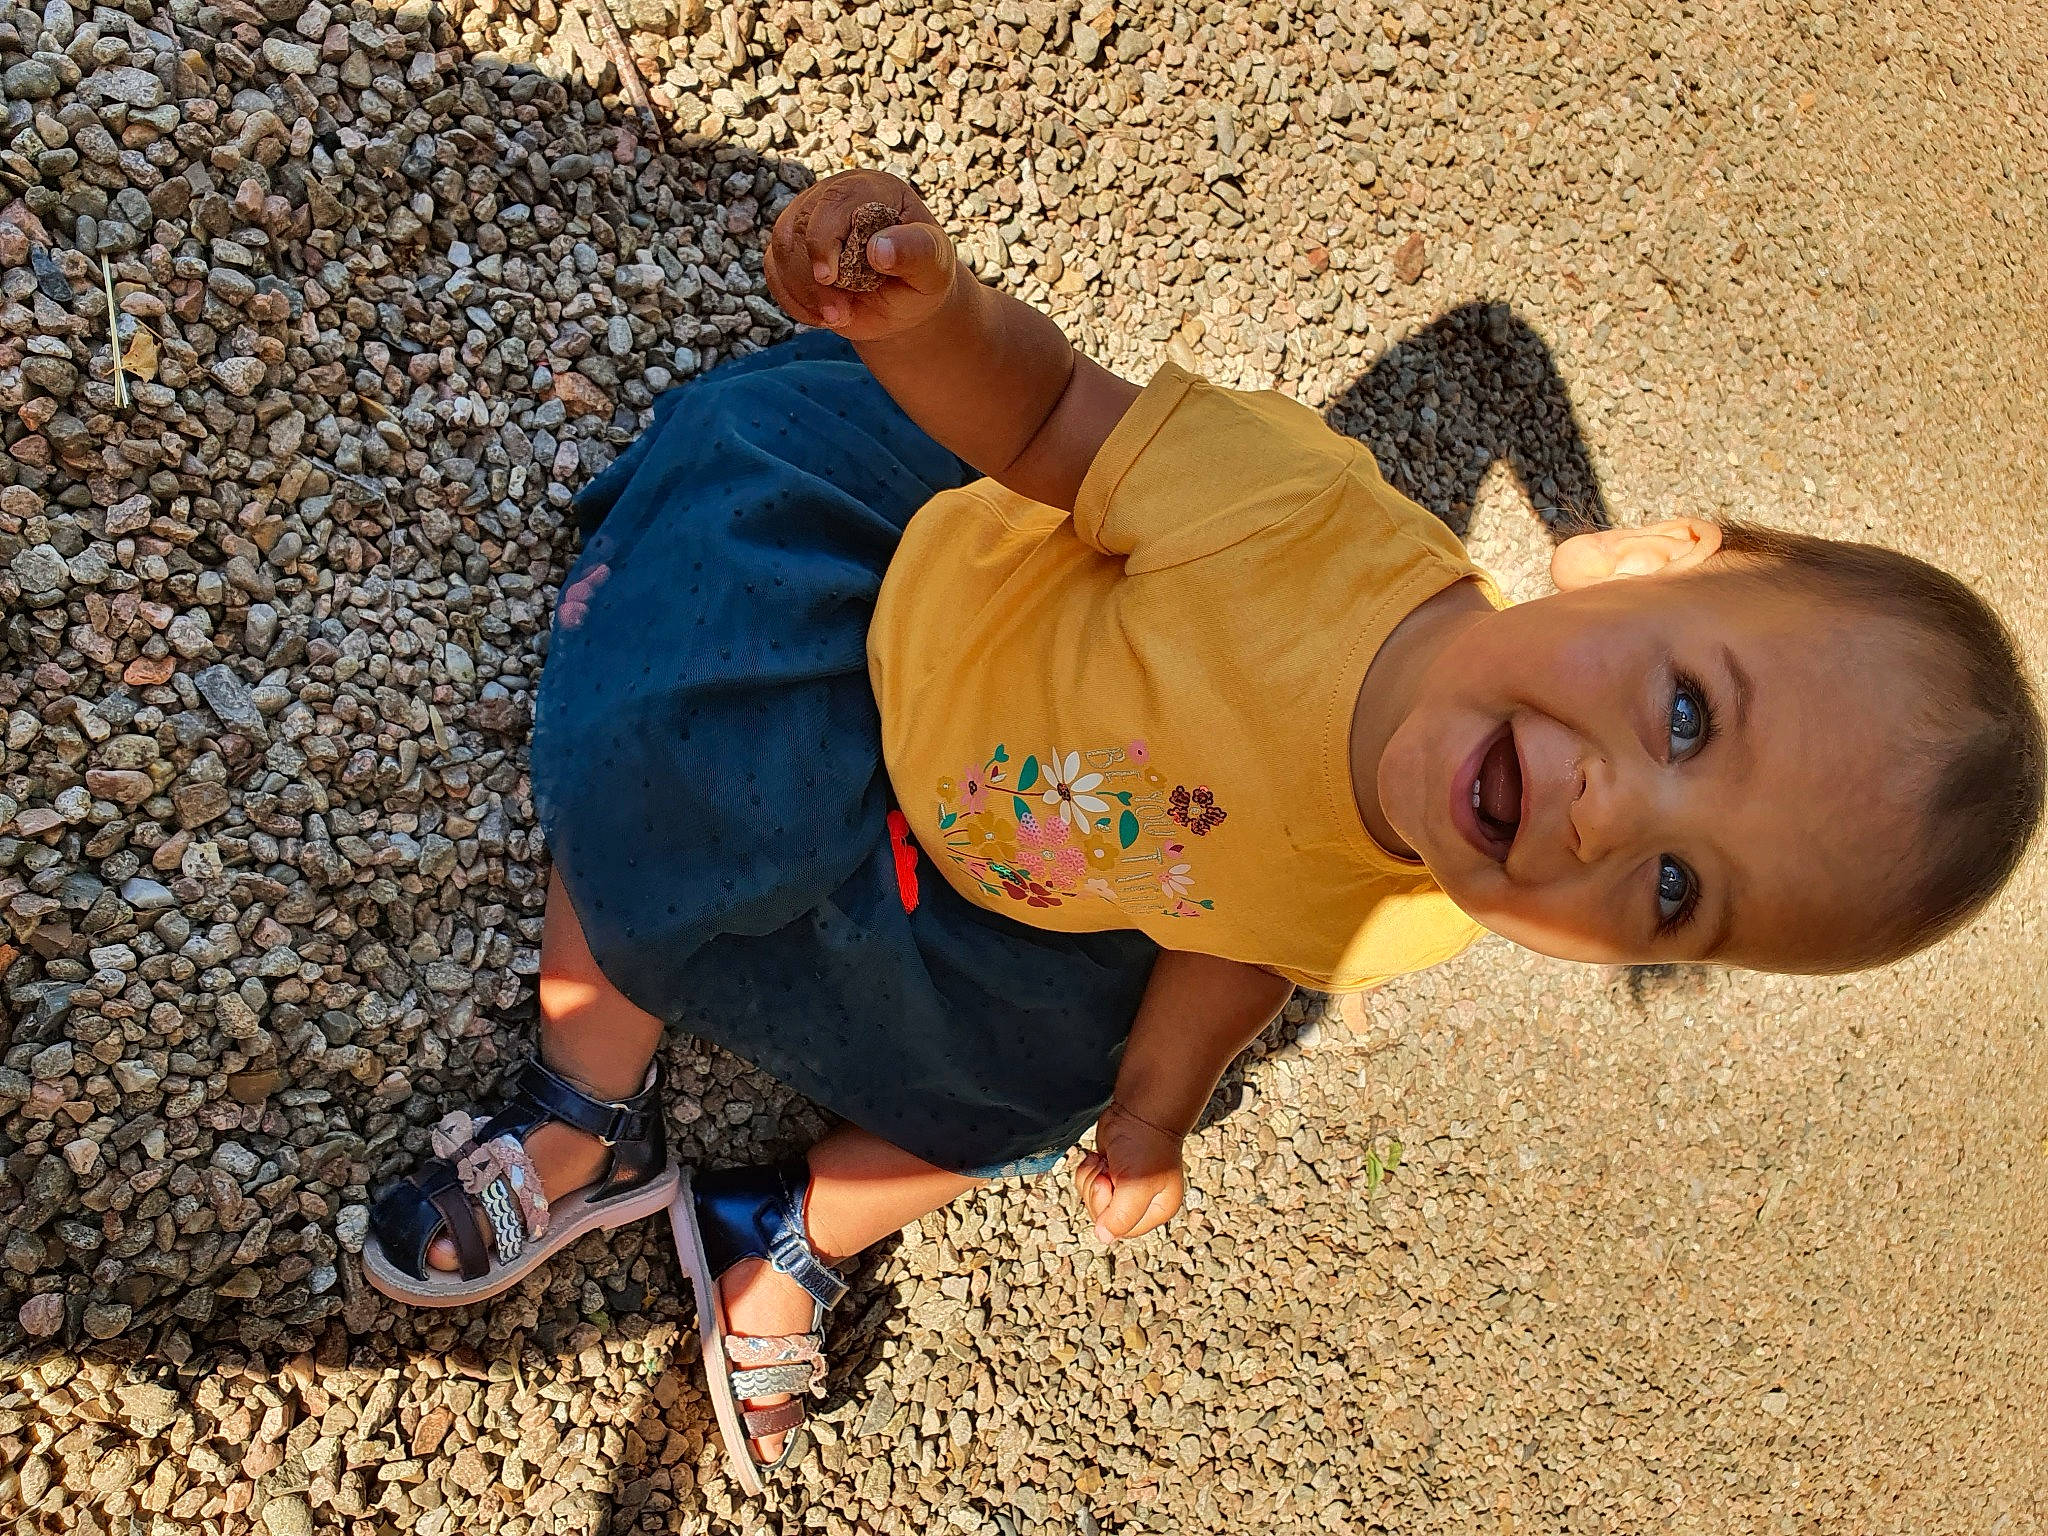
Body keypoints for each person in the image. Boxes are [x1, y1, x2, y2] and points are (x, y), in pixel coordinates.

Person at [361, 169, 2045, 1491]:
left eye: (1680, 890)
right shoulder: (1291, 514)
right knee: (677, 760)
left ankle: (795, 1225)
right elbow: (1035, 420)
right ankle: (582, 1100)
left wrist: (1153, 1115)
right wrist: (929, 313)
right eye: (1688, 714)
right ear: (1638, 558)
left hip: (1043, 857)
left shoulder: (1439, 890)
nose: (1613, 816)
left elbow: (1248, 939)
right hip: (884, 645)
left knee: (1039, 1092)